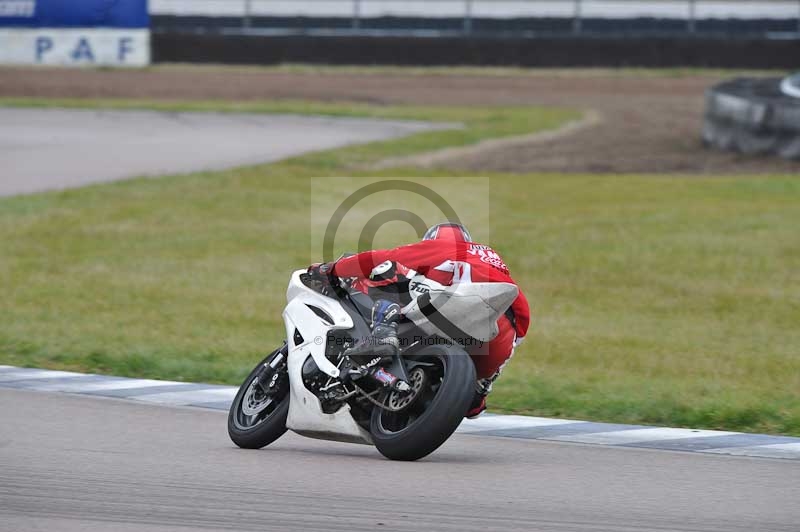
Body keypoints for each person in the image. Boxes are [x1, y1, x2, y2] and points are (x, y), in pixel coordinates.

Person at [308, 222, 530, 418]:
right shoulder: (492, 260)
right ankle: (477, 389)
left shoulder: (442, 247)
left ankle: (383, 334)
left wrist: (333, 269)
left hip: (453, 306)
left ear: (433, 238)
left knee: (390, 277)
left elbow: (381, 258)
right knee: (475, 393)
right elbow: (522, 313)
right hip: (500, 327)